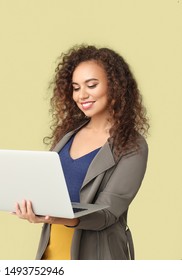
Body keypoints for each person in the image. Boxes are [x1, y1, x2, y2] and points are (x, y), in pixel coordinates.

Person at [13, 44, 149, 260]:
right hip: (52, 253)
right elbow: (52, 192)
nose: (81, 95)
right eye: (76, 87)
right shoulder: (67, 136)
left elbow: (107, 214)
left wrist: (60, 217)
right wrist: (33, 206)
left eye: (91, 85)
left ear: (115, 87)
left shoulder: (132, 144)